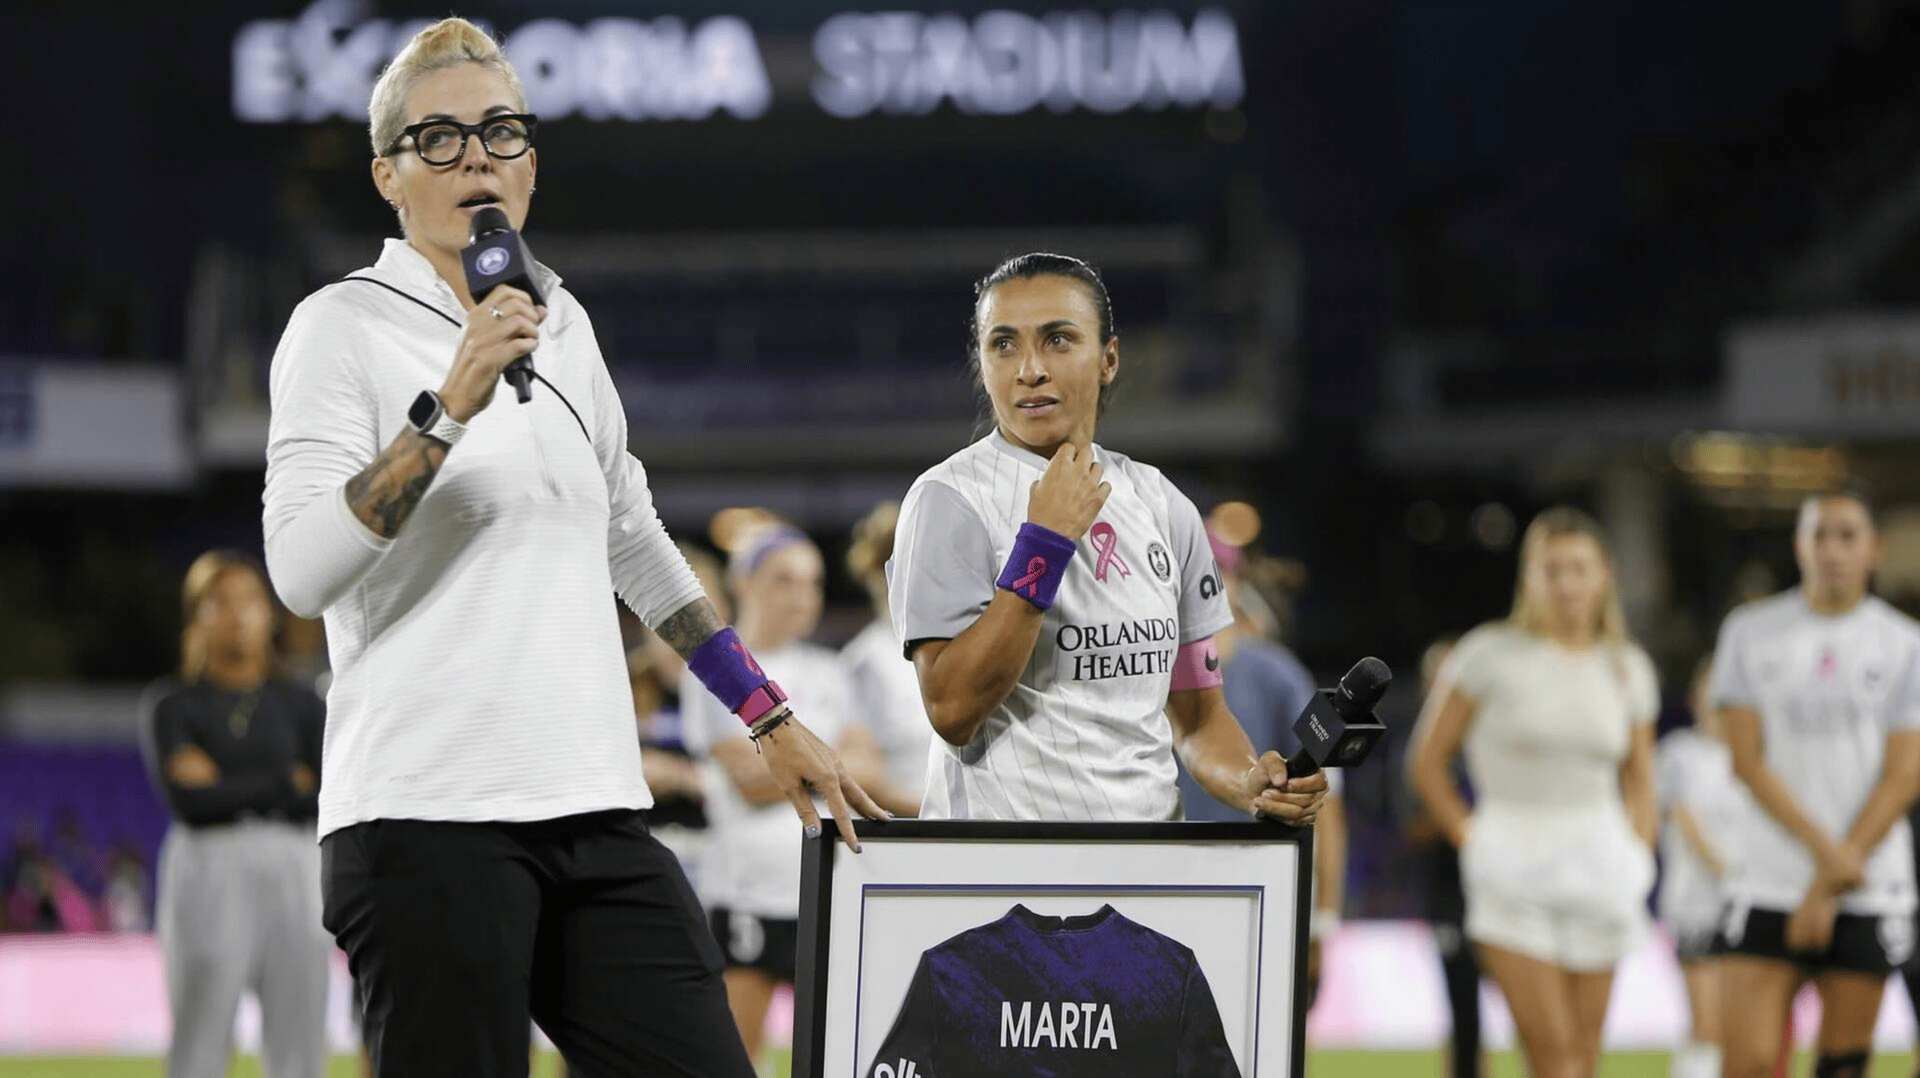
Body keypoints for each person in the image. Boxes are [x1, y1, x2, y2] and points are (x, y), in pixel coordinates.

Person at [259, 19, 880, 1077]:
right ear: (389, 177)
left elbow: (633, 540)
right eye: (440, 139)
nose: (477, 158)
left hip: (594, 809)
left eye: (499, 131)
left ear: (531, 164)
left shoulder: (566, 324)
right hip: (426, 814)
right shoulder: (340, 326)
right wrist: (447, 405)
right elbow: (301, 570)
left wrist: (768, 715)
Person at [886, 251, 1326, 826]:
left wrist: (1252, 782)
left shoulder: (1164, 505)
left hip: (1142, 868)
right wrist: (1042, 544)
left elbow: (1197, 718)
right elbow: (952, 708)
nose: (1030, 369)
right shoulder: (948, 499)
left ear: (1109, 359)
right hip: (1001, 875)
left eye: (1058, 340)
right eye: (1003, 344)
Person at [1408, 507, 1659, 1078]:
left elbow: (1643, 777)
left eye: (1579, 568)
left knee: (1583, 1062)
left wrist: (1638, 855)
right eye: (1552, 569)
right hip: (1511, 864)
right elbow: (1425, 760)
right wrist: (1470, 836)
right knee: (1553, 1061)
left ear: (1604, 575)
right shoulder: (1487, 655)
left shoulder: (1627, 666)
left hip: (1602, 865)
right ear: (1529, 577)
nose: (1566, 583)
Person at [1709, 487, 1920, 1078]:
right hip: (1769, 878)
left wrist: (1830, 883)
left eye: (1846, 535)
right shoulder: (1749, 632)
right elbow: (1746, 762)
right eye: (1817, 534)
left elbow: (1904, 776)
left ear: (1875, 549)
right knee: (1746, 1064)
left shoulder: (1907, 645)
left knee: (1843, 1066)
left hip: (1868, 880)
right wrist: (1827, 858)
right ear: (1798, 545)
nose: (1831, 549)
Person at [138, 549, 330, 1078]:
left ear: (270, 612)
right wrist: (281, 782)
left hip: (294, 863)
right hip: (207, 863)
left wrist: (225, 781)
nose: (237, 614)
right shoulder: (173, 703)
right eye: (219, 601)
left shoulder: (302, 703)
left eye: (249, 599)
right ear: (196, 616)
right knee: (200, 1029)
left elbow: (323, 793)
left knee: (300, 1037)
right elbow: (190, 802)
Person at [681, 524, 855, 1064]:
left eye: (813, 583)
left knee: (835, 1057)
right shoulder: (716, 672)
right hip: (750, 893)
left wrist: (801, 766)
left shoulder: (834, 670)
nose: (803, 597)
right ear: (746, 582)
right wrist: (827, 767)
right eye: (785, 580)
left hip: (826, 886)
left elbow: (864, 769)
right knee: (735, 1059)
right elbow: (750, 782)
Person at [1174, 523, 1345, 1000]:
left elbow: (1325, 801)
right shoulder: (1139, 673)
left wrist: (1323, 919)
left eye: (1217, 574)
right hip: (1167, 888)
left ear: (1234, 583)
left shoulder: (1281, 675)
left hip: (1258, 891)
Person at [1403, 635, 1484, 1078]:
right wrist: (1458, 818)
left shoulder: (1488, 741)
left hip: (1499, 885)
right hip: (1449, 895)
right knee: (1463, 1002)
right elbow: (1411, 830)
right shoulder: (1418, 752)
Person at [1655, 658, 1738, 1078]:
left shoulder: (1753, 757)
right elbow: (1683, 819)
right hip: (1696, 906)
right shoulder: (1679, 752)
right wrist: (1733, 873)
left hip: (1744, 908)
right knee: (1708, 1027)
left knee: (1728, 1029)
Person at [841, 500, 936, 816]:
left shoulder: (962, 642)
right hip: (907, 829)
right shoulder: (866, 659)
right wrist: (939, 815)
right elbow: (863, 777)